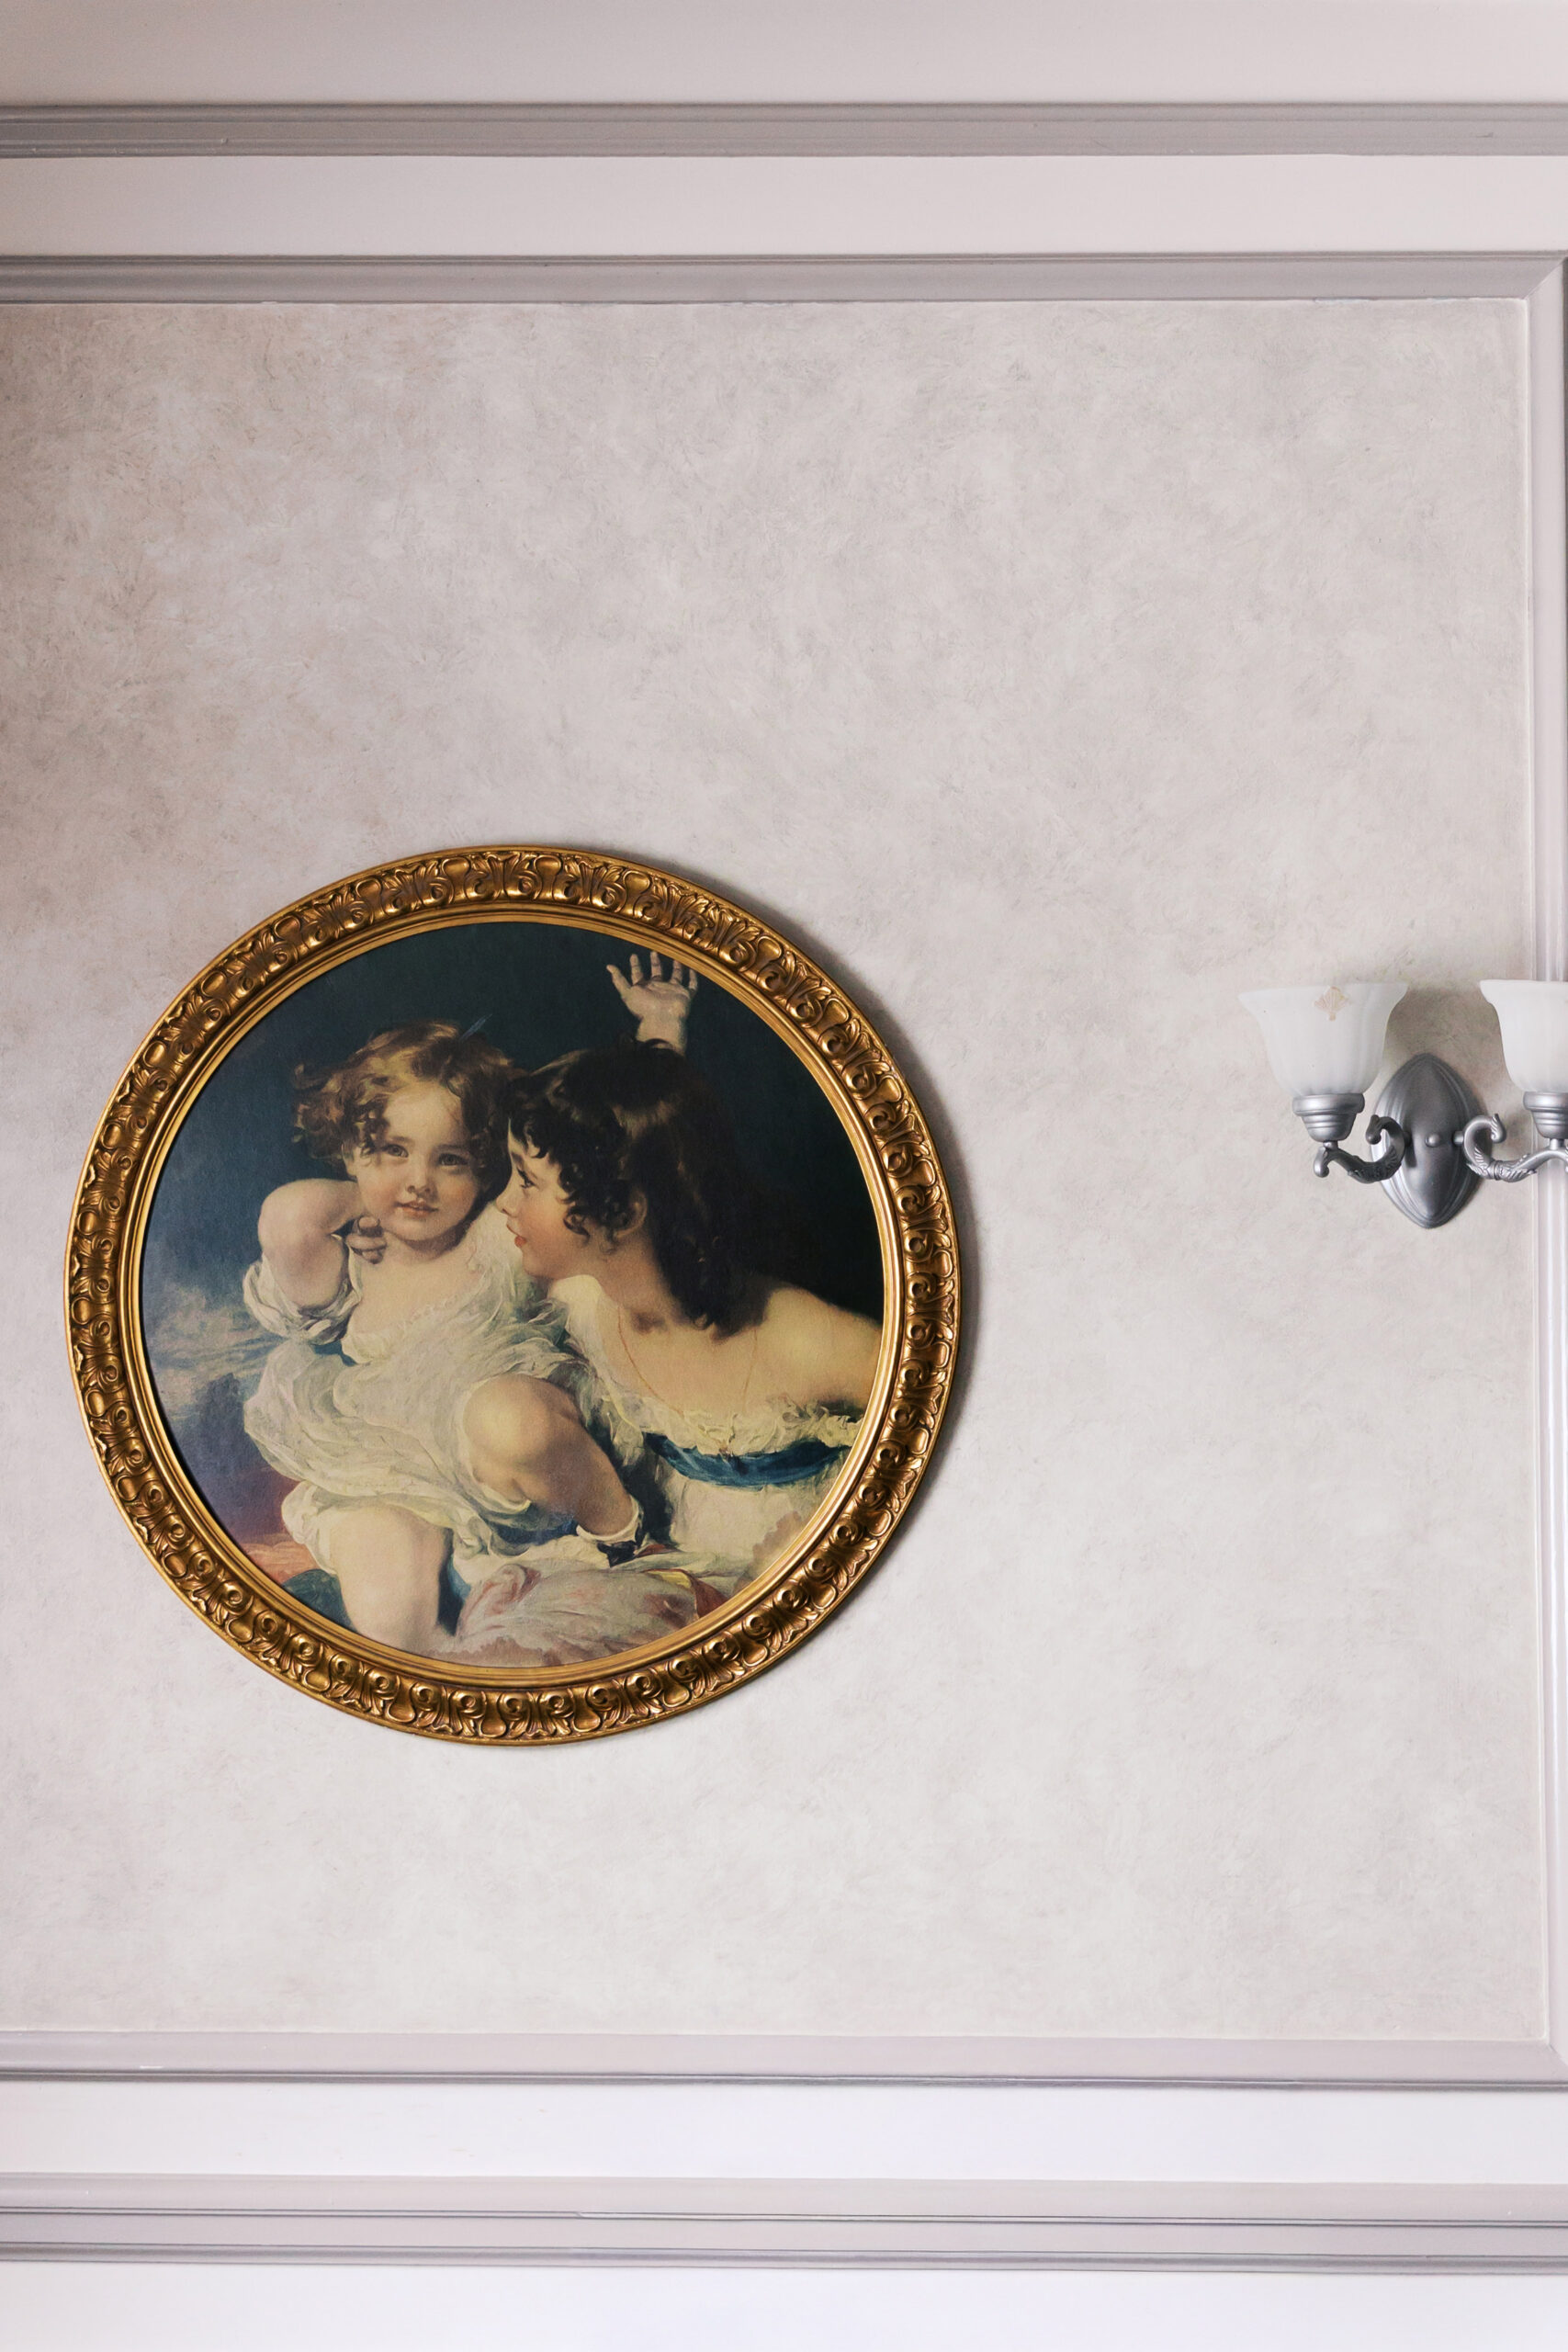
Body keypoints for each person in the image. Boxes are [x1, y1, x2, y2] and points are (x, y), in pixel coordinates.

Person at [242, 1018, 646, 1656]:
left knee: (517, 1421)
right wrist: (363, 1199)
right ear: (349, 1151)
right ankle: (454, 1693)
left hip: (505, 1466)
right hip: (389, 1472)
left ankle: (629, 1539)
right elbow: (287, 1217)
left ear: (487, 1167)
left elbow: (607, 1143)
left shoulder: (495, 1234)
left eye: (450, 1159)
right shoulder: (350, 1260)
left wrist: (658, 1034)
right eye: (391, 1151)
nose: (419, 1183)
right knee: (386, 1613)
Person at [468, 1039, 881, 1633]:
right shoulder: (579, 1301)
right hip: (653, 1577)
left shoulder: (806, 1339)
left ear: (623, 1212)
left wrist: (828, 1545)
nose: (504, 1201)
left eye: (528, 1181)